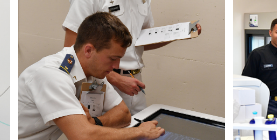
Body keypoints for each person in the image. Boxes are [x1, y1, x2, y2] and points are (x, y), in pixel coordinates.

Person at [18, 12, 165, 140]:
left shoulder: (92, 71)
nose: (116, 66)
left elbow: (124, 114)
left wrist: (94, 123)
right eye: (113, 58)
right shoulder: (52, 75)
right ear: (88, 50)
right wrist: (140, 133)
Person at [62, 0, 202, 115]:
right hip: (101, 81)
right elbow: (73, 50)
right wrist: (116, 79)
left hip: (134, 83)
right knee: (100, 139)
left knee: (136, 137)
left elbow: (138, 43)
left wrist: (176, 35)